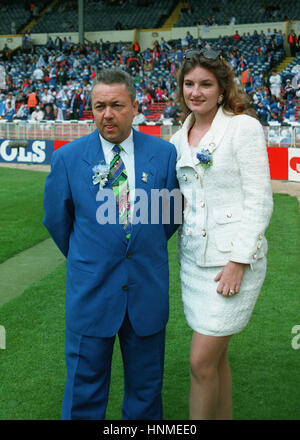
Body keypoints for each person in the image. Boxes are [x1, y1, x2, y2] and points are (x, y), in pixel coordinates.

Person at [43, 68, 179, 420]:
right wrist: (93, 255)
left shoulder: (164, 155)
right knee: (82, 395)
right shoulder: (68, 158)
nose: (107, 114)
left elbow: (168, 218)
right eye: (99, 106)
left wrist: (135, 247)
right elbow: (59, 223)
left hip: (146, 293)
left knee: (146, 395)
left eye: (117, 105)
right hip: (92, 293)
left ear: (135, 106)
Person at [170, 49, 273, 420]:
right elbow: (175, 204)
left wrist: (237, 261)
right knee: (215, 361)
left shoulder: (243, 127)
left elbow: (260, 201)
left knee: (199, 363)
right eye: (189, 84)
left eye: (205, 84)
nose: (196, 92)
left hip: (231, 265)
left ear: (221, 88)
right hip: (194, 264)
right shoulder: (177, 140)